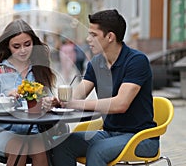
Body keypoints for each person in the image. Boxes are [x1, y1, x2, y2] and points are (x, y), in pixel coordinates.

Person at [46, 9, 159, 166]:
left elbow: (121, 104)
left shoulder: (137, 61)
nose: (88, 39)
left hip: (140, 137)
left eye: (93, 35)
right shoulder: (96, 63)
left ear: (110, 37)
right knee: (62, 144)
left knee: (97, 149)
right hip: (109, 134)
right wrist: (59, 101)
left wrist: (75, 104)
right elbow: (77, 96)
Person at [0, 19, 57, 166]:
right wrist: (5, 98)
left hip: (34, 131)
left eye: (27, 44)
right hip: (2, 131)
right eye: (16, 46)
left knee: (39, 147)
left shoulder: (39, 69)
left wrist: (48, 103)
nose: (23, 50)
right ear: (8, 46)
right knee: (19, 146)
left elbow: (49, 104)